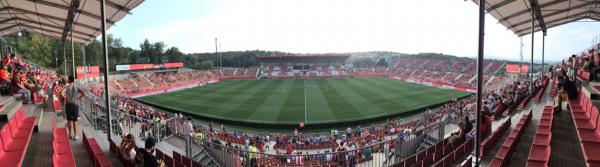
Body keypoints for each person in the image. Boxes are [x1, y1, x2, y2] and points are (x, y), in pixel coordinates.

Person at [61, 75, 86, 140]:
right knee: (75, 121)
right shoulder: (77, 86)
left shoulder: (66, 87)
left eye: (68, 79)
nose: (67, 80)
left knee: (69, 120)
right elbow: (83, 93)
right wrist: (78, 99)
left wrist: (66, 98)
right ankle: (75, 135)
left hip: (68, 105)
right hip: (75, 105)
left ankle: (69, 134)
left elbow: (62, 93)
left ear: (69, 80)